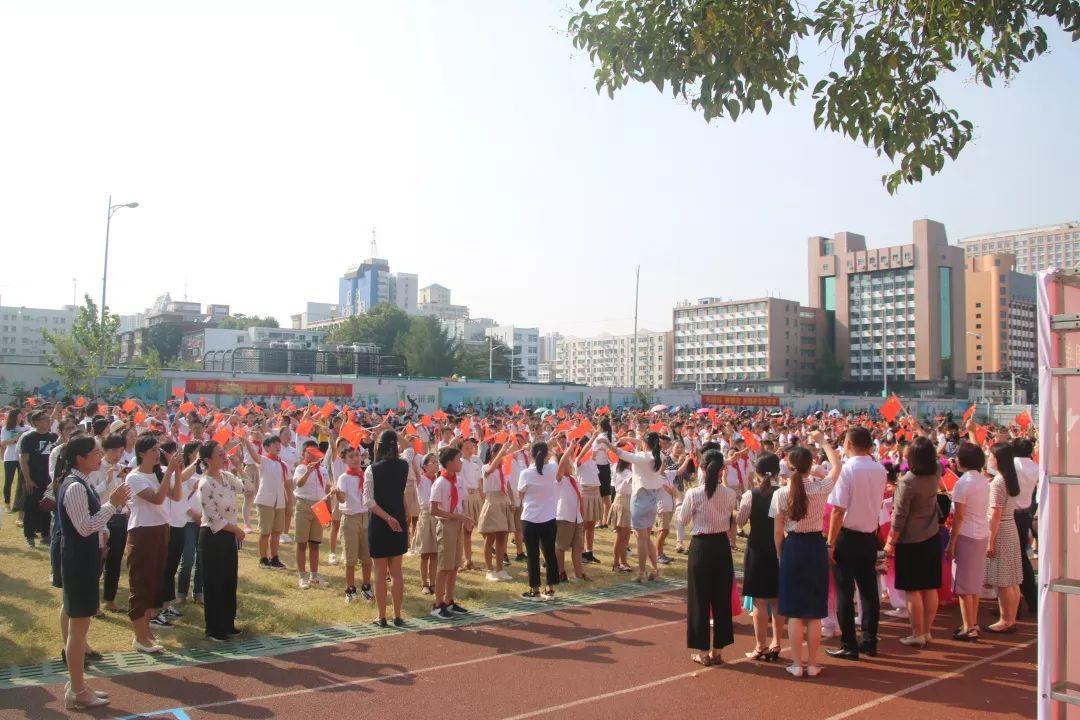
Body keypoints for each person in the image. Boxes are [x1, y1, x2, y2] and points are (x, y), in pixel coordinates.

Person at [55, 436, 131, 709]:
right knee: (78, 629)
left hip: (83, 559)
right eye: (95, 453)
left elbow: (90, 516)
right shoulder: (74, 487)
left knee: (80, 626)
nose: (100, 456)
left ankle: (78, 685)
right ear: (80, 458)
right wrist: (113, 505)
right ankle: (77, 691)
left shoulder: (81, 483)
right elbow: (85, 526)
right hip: (78, 562)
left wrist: (111, 504)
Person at [772, 434, 841, 678]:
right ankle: (812, 663)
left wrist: (781, 554)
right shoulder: (820, 487)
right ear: (810, 465)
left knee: (793, 611)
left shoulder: (780, 493)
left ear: (789, 466)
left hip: (793, 547)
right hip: (815, 547)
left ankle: (797, 664)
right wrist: (823, 441)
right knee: (814, 612)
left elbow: (778, 531)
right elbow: (837, 465)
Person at [826, 426, 888, 660]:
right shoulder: (879, 469)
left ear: (849, 444)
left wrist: (830, 543)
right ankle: (869, 641)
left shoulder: (847, 470)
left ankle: (849, 644)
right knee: (869, 591)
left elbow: (838, 510)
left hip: (848, 536)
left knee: (845, 591)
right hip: (869, 536)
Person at [678, 448, 738, 666]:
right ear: (722, 469)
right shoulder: (730, 494)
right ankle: (718, 650)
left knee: (699, 600)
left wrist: (678, 502)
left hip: (701, 547)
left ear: (702, 468)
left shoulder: (693, 494)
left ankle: (703, 652)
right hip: (721, 547)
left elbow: (682, 521)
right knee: (721, 599)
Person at [884, 436, 943, 648]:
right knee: (929, 587)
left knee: (913, 589)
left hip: (911, 539)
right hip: (932, 535)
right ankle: (926, 631)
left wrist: (891, 541)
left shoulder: (908, 481)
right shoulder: (936, 470)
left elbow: (899, 516)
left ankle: (917, 632)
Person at [125, 434, 181, 652]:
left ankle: (146, 633)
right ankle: (139, 636)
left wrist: (174, 471)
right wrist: (168, 472)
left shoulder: (159, 474)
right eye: (153, 451)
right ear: (141, 454)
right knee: (141, 583)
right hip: (142, 532)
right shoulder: (134, 477)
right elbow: (157, 498)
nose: (158, 454)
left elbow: (176, 496)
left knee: (155, 582)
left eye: (159, 451)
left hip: (161, 530)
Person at [196, 441, 246, 642]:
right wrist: (236, 529)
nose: (224, 456)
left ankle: (228, 623)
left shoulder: (227, 477)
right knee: (214, 582)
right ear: (207, 460)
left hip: (229, 536)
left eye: (224, 453)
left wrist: (239, 467)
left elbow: (247, 488)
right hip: (213, 536)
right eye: (219, 454)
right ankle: (214, 628)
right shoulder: (205, 483)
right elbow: (213, 516)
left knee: (228, 580)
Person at [736, 452, 783, 662]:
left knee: (758, 602)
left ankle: (760, 645)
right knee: (776, 599)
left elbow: (740, 521)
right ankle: (776, 643)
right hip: (778, 548)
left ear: (757, 471)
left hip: (756, 549)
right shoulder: (783, 492)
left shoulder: (751, 494)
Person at [364, 430, 410, 627]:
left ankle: (381, 616)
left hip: (380, 523)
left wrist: (386, 518)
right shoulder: (404, 466)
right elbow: (409, 447)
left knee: (380, 572)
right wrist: (391, 430)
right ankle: (398, 615)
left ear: (379, 446)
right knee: (397, 572)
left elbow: (368, 501)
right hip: (399, 521)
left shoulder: (371, 469)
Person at [517, 440, 572, 600]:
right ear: (546, 454)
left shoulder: (525, 473)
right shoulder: (553, 468)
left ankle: (535, 590)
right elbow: (557, 459)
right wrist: (552, 451)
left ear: (531, 455)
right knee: (549, 554)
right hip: (549, 518)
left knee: (532, 555)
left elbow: (521, 494)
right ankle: (550, 588)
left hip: (530, 519)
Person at [946, 442, 990, 641]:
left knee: (964, 585)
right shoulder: (983, 480)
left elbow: (959, 517)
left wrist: (952, 542)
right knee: (974, 583)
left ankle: (968, 626)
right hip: (981, 533)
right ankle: (972, 623)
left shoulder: (963, 483)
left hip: (967, 534)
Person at [612, 431, 666, 582]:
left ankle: (641, 572)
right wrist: (629, 438)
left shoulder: (642, 457)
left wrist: (605, 443)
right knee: (647, 538)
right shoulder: (659, 455)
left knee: (641, 540)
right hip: (652, 500)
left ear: (646, 444)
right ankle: (655, 569)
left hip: (640, 500)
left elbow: (619, 452)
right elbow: (643, 444)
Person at [983, 442, 1024, 633]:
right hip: (1010, 527)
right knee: (1011, 580)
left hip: (1001, 530)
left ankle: (1006, 619)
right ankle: (1010, 618)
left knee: (1004, 581)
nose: (988, 458)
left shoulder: (998, 482)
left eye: (990, 455)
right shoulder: (1008, 478)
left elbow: (994, 515)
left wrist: (990, 542)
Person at [429, 446, 474, 618]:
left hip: (457, 524)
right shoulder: (440, 483)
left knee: (454, 564)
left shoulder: (459, 481)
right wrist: (455, 516)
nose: (460, 462)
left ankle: (449, 601)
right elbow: (433, 510)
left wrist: (466, 518)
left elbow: (461, 504)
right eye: (458, 459)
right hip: (446, 525)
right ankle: (437, 604)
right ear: (449, 463)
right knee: (444, 566)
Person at [92, 433, 131, 612]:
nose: (117, 454)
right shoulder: (97, 468)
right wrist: (107, 481)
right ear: (105, 450)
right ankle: (92, 602)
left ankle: (109, 599)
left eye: (121, 450)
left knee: (115, 562)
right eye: (114, 450)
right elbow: (92, 496)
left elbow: (126, 493)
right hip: (103, 517)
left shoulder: (123, 467)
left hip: (120, 517)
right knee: (98, 561)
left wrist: (127, 504)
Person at [292, 441, 335, 589]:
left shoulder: (322, 470)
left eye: (315, 452)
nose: (312, 455)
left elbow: (327, 490)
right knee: (302, 543)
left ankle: (314, 575)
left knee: (315, 543)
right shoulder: (301, 468)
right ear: (304, 453)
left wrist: (328, 512)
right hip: (304, 505)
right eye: (309, 452)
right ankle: (302, 576)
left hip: (320, 506)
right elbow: (299, 484)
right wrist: (308, 472)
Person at [335, 446, 375, 603]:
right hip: (350, 518)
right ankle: (350, 589)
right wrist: (338, 493)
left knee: (367, 557)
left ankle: (366, 586)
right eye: (351, 456)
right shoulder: (344, 478)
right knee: (350, 558)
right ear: (344, 460)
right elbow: (342, 498)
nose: (355, 458)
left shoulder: (365, 475)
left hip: (366, 517)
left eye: (357, 455)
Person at [18, 409, 58, 548]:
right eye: (44, 419)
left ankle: (45, 534)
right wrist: (27, 479)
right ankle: (29, 535)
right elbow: (24, 460)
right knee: (31, 507)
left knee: (48, 506)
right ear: (35, 422)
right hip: (33, 479)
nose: (48, 421)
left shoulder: (53, 437)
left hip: (49, 480)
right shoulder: (29, 438)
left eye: (48, 418)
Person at [478, 440, 515, 582]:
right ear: (493, 453)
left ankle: (500, 569)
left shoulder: (504, 469)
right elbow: (490, 471)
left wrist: (511, 501)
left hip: (503, 501)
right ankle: (489, 570)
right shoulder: (486, 467)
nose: (504, 455)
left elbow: (508, 485)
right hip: (492, 501)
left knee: (502, 537)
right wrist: (502, 452)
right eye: (501, 453)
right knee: (490, 538)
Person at [1011, 437, 1038, 614]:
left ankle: (1019, 602)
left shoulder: (1013, 465)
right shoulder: (1035, 467)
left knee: (1014, 559)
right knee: (1020, 557)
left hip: (1011, 515)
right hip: (1026, 514)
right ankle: (1022, 601)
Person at [413, 452, 440, 594]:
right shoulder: (420, 479)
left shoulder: (438, 480)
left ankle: (433, 582)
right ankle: (424, 583)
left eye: (437, 462)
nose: (436, 465)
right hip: (425, 516)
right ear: (424, 466)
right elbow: (413, 467)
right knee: (425, 553)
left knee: (435, 552)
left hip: (437, 517)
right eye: (433, 463)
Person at [608, 458, 633, 572]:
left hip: (628, 503)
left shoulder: (625, 471)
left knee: (625, 537)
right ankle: (616, 563)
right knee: (621, 536)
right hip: (622, 503)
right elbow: (635, 480)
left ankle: (623, 562)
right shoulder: (624, 472)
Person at [2, 407, 29, 512]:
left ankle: (20, 505)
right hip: (10, 457)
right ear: (14, 416)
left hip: (22, 457)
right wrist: (15, 438)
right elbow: (3, 443)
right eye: (19, 415)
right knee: (9, 481)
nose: (21, 416)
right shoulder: (7, 429)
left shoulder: (26, 428)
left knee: (22, 481)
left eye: (22, 415)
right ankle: (7, 504)